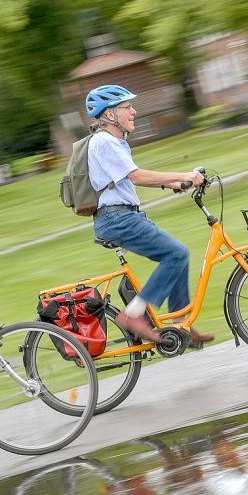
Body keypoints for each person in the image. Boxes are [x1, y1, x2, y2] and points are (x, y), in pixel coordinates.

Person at [85, 84, 214, 345]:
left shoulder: (113, 142)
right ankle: (133, 314)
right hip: (118, 220)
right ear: (110, 115)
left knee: (178, 254)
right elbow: (136, 176)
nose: (134, 111)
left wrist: (172, 184)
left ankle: (181, 326)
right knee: (176, 254)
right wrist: (184, 175)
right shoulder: (105, 142)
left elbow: (125, 180)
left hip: (123, 217)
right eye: (127, 107)